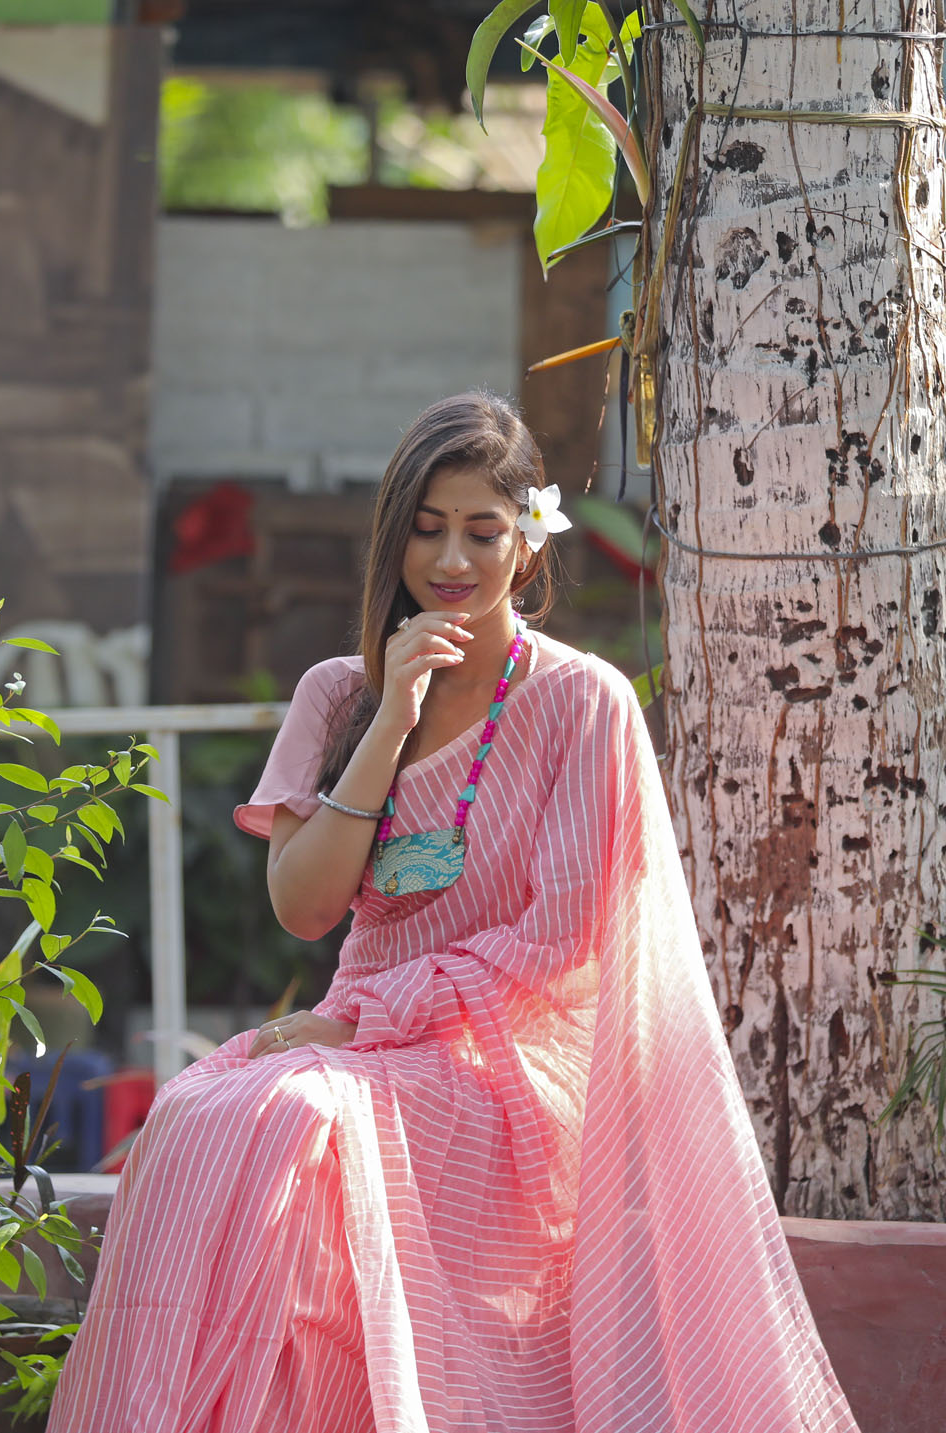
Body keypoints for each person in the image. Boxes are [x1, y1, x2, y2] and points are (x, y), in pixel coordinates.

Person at [48, 392, 859, 1433]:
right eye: (427, 527)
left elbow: (561, 944)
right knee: (195, 1117)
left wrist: (362, 1022)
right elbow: (304, 909)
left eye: (483, 529)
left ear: (528, 543)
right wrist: (390, 715)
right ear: (393, 536)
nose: (452, 557)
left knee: (295, 1117)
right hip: (348, 1044)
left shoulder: (582, 701)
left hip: (500, 1061)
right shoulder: (336, 694)